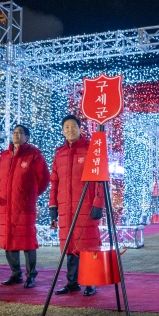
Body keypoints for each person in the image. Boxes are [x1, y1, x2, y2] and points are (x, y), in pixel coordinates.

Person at [0, 125, 50, 288]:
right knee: (9, 240)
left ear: (27, 137)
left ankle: (30, 275)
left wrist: (31, 194)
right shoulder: (4, 156)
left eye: (20, 133)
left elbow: (44, 179)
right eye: (14, 132)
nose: (16, 135)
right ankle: (15, 274)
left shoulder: (34, 155)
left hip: (25, 206)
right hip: (6, 205)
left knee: (27, 241)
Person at [49, 115, 104, 296]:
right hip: (65, 207)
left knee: (87, 245)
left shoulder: (91, 149)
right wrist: (53, 207)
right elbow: (54, 182)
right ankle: (72, 282)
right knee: (70, 245)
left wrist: (98, 203)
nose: (70, 129)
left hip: (85, 206)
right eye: (66, 127)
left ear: (80, 128)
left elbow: (100, 179)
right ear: (62, 130)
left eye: (73, 126)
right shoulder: (59, 153)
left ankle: (90, 282)